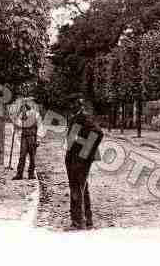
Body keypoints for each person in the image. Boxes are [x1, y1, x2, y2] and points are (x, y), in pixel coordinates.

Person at [65, 96, 103, 230]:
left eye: (73, 103)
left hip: (81, 159)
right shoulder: (74, 117)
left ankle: (78, 222)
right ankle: (87, 221)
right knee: (82, 189)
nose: (70, 106)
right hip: (74, 157)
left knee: (77, 188)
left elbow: (98, 133)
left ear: (79, 104)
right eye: (70, 104)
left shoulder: (84, 117)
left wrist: (84, 150)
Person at [13, 100, 43, 180]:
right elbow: (18, 124)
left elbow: (40, 127)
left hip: (33, 137)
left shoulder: (36, 115)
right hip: (24, 137)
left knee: (32, 156)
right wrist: (16, 117)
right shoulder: (22, 114)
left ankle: (31, 174)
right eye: (26, 103)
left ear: (33, 104)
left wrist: (38, 139)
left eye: (29, 103)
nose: (28, 104)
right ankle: (19, 174)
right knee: (22, 155)